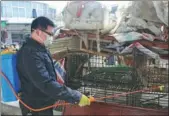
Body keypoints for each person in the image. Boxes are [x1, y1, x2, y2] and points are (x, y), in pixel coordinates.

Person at [16, 16, 90, 116]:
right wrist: (76, 96)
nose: (51, 37)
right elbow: (45, 83)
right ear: (38, 32)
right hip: (35, 107)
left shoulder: (41, 49)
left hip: (43, 104)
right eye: (50, 34)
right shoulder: (29, 53)